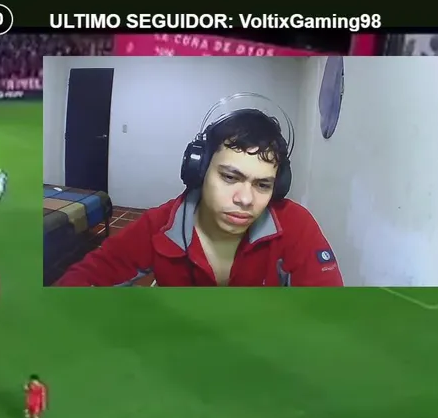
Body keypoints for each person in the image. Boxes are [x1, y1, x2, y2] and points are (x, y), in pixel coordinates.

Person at [54, 108, 341, 287]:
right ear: (200, 171)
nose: (245, 199)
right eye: (230, 177)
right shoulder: (160, 225)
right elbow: (88, 276)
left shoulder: (296, 226)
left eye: (263, 185)